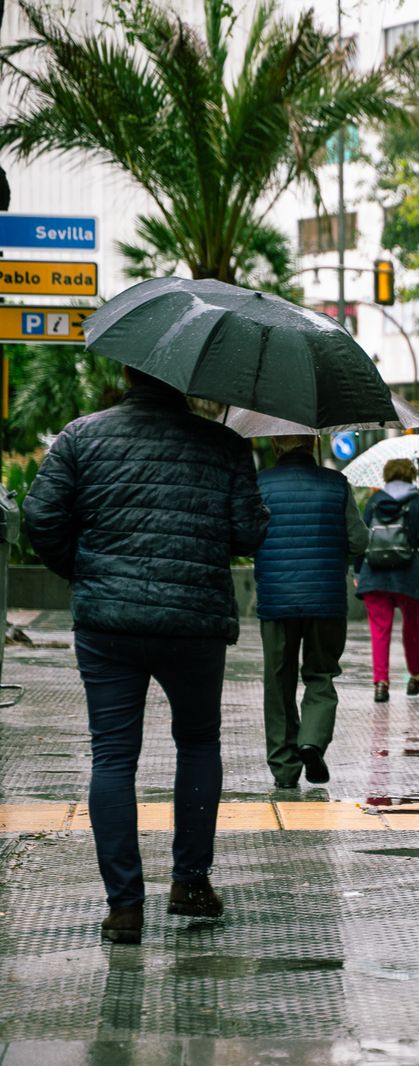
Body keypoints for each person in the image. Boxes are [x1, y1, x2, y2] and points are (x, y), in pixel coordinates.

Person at [23, 367, 270, 944]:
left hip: (108, 625)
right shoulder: (223, 443)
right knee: (198, 743)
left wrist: (86, 572)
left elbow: (40, 516)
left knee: (112, 757)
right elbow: (248, 535)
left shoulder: (81, 436)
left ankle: (124, 907)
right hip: (194, 623)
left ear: (129, 370)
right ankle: (190, 885)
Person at [254, 435, 368, 790]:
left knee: (278, 682)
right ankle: (312, 741)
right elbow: (359, 541)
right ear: (312, 443)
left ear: (276, 446)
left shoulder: (260, 485)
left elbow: (246, 536)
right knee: (320, 675)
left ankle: (284, 769)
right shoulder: (336, 484)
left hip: (276, 599)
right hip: (326, 599)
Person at [355, 458, 419, 702]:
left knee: (380, 630)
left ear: (386, 475)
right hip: (408, 575)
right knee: (412, 626)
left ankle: (381, 683)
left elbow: (362, 538)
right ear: (412, 475)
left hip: (374, 574)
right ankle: (415, 676)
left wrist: (357, 572)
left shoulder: (374, 501)